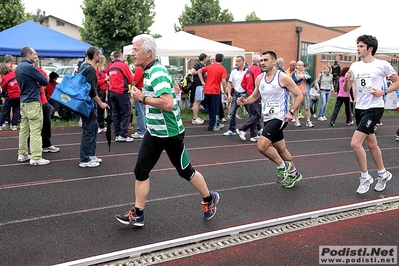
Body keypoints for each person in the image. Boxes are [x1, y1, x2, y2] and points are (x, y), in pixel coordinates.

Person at [115, 34, 219, 227]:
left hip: (171, 134)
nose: (132, 53)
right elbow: (176, 89)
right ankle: (138, 213)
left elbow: (168, 103)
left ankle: (209, 198)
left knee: (186, 172)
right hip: (154, 132)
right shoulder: (152, 71)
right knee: (140, 170)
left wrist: (142, 98)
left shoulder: (156, 72)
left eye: (136, 50)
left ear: (148, 52)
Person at [237, 51, 304, 188]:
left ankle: (282, 167)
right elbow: (254, 96)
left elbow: (299, 95)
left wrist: (291, 112)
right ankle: (294, 172)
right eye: (261, 60)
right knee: (281, 148)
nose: (262, 63)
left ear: (274, 61)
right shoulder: (259, 78)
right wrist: (245, 101)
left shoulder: (283, 77)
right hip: (267, 117)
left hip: (280, 117)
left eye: (266, 60)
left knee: (262, 145)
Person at [343, 34, 399, 194]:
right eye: (358, 46)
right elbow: (347, 90)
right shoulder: (355, 66)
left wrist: (383, 91)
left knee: (355, 143)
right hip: (360, 108)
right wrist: (347, 80)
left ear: (370, 48)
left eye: (361, 46)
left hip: (374, 108)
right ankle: (383, 174)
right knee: (372, 144)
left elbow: (397, 81)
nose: (358, 49)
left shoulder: (382, 65)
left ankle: (365, 176)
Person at [15, 47, 50, 166]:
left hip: (23, 101)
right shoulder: (30, 67)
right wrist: (38, 82)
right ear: (28, 55)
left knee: (24, 129)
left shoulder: (19, 66)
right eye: (34, 54)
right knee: (35, 129)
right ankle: (36, 157)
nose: (36, 55)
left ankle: (23, 153)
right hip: (32, 102)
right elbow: (44, 81)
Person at [77, 46, 109, 168]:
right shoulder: (89, 69)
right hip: (87, 103)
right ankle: (84, 159)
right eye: (100, 54)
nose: (101, 56)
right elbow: (91, 90)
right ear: (95, 56)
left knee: (93, 128)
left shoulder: (84, 66)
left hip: (85, 102)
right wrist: (100, 103)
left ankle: (90, 155)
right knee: (89, 130)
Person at [108, 50, 134, 142]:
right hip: (121, 92)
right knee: (126, 113)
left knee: (115, 114)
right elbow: (130, 80)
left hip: (112, 92)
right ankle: (123, 135)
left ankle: (117, 134)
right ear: (121, 56)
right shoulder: (123, 66)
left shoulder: (111, 66)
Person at [35, 60, 60, 153]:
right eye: (35, 56)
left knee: (47, 122)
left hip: (44, 100)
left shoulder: (39, 70)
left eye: (37, 57)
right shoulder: (28, 69)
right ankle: (32, 147)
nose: (37, 59)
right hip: (35, 101)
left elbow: (45, 79)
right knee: (35, 126)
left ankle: (46, 144)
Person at [198, 53, 227, 131]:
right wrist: (225, 91)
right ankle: (214, 125)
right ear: (222, 59)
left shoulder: (209, 67)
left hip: (207, 90)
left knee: (210, 109)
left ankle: (213, 124)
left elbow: (199, 71)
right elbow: (224, 81)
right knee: (215, 109)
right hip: (215, 91)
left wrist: (202, 82)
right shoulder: (222, 69)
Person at [237, 54, 262, 141]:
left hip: (249, 93)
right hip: (255, 94)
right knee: (257, 114)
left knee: (253, 115)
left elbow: (243, 83)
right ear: (259, 62)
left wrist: (248, 90)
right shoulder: (258, 70)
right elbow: (258, 82)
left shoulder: (248, 70)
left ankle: (253, 135)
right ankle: (242, 129)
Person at [222, 56, 249, 136]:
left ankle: (257, 129)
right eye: (236, 61)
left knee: (252, 113)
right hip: (236, 94)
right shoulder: (233, 72)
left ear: (243, 62)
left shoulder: (248, 70)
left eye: (238, 61)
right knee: (232, 112)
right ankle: (231, 129)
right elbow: (230, 83)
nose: (236, 63)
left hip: (246, 95)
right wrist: (229, 94)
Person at [291, 61, 313, 127]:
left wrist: (308, 78)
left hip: (305, 91)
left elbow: (310, 80)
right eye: (299, 65)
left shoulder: (305, 72)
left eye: (302, 65)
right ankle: (297, 120)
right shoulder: (294, 73)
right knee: (296, 107)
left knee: (307, 107)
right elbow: (295, 82)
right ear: (297, 66)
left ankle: (308, 121)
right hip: (297, 93)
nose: (301, 67)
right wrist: (302, 78)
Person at [0, 63, 20, 131]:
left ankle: (0, 124)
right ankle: (14, 125)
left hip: (10, 95)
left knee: (5, 110)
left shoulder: (4, 77)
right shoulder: (14, 74)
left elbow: (3, 87)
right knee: (16, 110)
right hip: (18, 94)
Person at [190, 53, 207, 125]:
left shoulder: (203, 65)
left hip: (200, 85)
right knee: (197, 101)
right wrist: (199, 72)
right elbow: (192, 71)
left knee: (199, 101)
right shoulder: (198, 64)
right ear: (204, 58)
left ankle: (196, 116)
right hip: (198, 84)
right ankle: (194, 118)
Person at [130, 64, 146, 139]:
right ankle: (144, 129)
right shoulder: (144, 68)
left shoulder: (139, 69)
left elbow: (135, 81)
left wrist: (131, 79)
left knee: (139, 112)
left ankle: (141, 130)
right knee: (143, 111)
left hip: (139, 89)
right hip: (143, 89)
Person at [96, 55, 108, 134]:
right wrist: (105, 79)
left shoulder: (102, 70)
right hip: (99, 90)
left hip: (103, 91)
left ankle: (102, 125)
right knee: (99, 109)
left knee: (102, 109)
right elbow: (98, 82)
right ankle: (98, 125)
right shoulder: (97, 71)